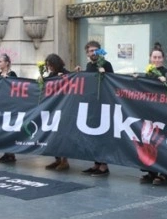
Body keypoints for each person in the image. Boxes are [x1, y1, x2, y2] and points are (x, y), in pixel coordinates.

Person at [139, 43, 167, 186]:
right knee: (147, 141)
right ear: (150, 58)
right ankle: (151, 171)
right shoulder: (148, 73)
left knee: (161, 142)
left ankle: (164, 174)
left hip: (162, 112)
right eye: (154, 57)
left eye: (159, 57)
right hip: (149, 111)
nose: (157, 60)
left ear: (163, 59)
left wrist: (165, 83)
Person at [78, 41, 114, 177]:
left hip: (104, 103)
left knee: (102, 135)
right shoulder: (89, 66)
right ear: (87, 53)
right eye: (91, 51)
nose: (93, 53)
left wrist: (105, 73)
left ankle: (104, 166)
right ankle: (96, 164)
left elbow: (113, 81)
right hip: (92, 104)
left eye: (96, 50)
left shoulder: (106, 64)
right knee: (93, 134)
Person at [43, 53, 72, 171]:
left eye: (51, 65)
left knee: (62, 134)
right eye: (48, 66)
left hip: (64, 107)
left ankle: (65, 160)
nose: (49, 68)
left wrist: (63, 78)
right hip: (54, 107)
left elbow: (73, 85)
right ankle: (57, 159)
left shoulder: (66, 73)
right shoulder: (51, 74)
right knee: (53, 134)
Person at [0, 54, 18, 163]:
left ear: (6, 63)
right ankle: (6, 153)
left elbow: (16, 87)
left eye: (0, 61)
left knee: (9, 128)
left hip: (10, 105)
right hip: (0, 104)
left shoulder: (12, 74)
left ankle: (11, 154)